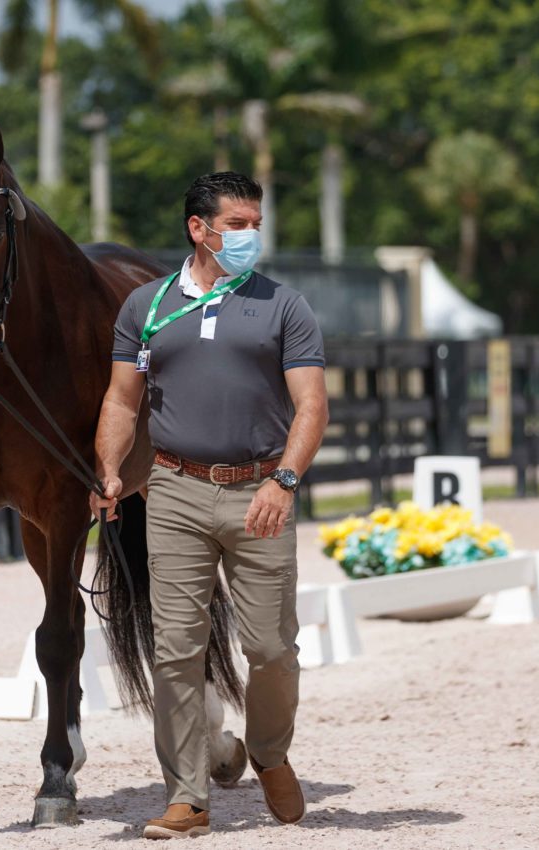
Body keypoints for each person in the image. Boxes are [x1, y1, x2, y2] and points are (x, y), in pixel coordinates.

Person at [90, 171, 329, 838]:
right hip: (172, 490)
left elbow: (311, 404)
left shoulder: (284, 306)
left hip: (259, 491)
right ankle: (187, 795)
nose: (251, 235)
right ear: (198, 229)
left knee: (270, 647)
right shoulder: (146, 306)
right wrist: (108, 469)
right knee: (175, 651)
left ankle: (270, 753)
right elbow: (120, 401)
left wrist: (283, 481)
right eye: (237, 224)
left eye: (255, 223)